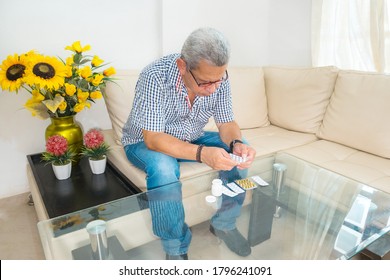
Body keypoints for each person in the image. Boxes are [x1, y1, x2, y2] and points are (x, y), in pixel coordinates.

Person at [122, 27, 257, 260]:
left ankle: (224, 223)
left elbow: (227, 122)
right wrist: (203, 153)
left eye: (219, 80)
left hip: (192, 136)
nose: (214, 88)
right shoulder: (154, 76)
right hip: (145, 142)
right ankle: (175, 246)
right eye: (206, 83)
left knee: (238, 150)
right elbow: (153, 138)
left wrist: (236, 142)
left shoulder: (217, 77)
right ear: (182, 66)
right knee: (163, 168)